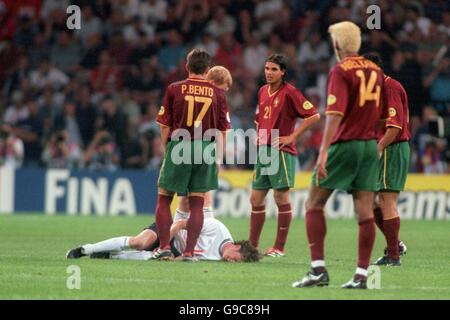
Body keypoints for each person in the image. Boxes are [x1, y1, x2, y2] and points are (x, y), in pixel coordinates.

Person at [292, 21, 383, 289]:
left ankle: (318, 270)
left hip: (345, 145)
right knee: (365, 210)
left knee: (313, 204)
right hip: (369, 145)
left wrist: (323, 152)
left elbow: (334, 113)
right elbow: (381, 116)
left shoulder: (340, 70)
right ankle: (361, 276)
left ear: (337, 45)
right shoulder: (376, 70)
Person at [153, 49, 231, 261]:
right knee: (198, 204)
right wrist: (218, 158)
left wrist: (167, 149)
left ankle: (165, 247)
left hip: (180, 144)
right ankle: (189, 252)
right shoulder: (218, 93)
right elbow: (224, 130)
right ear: (208, 70)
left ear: (186, 67)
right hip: (206, 148)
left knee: (164, 198)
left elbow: (163, 125)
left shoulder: (174, 89)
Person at [249, 54, 320, 257]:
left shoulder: (290, 92)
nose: (269, 73)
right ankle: (252, 247)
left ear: (283, 72)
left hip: (281, 151)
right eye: (267, 69)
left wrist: (292, 136)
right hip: (264, 151)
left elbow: (314, 115)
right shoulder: (262, 91)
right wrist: (259, 135)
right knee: (255, 199)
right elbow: (259, 118)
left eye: (273, 69)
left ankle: (279, 247)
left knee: (281, 197)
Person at [66, 198, 261, 263]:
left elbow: (189, 258)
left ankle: (109, 256)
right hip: (171, 230)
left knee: (154, 259)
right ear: (237, 247)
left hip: (176, 249)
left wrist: (171, 257)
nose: (230, 261)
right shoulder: (218, 228)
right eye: (236, 259)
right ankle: (86, 249)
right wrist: (165, 244)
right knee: (140, 242)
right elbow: (183, 224)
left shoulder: (217, 259)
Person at [363, 53, 409, 266]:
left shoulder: (390, 87)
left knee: (386, 200)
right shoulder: (374, 90)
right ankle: (395, 245)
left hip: (392, 148)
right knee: (372, 201)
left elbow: (394, 127)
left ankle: (393, 256)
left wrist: (379, 148)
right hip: (383, 147)